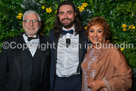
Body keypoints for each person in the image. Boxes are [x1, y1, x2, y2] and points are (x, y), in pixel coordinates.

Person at [0, 10, 50, 91]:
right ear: (23, 24)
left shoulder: (48, 43)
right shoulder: (8, 44)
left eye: (34, 21)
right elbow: (1, 73)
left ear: (40, 24)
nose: (31, 24)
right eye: (27, 21)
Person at [81, 17, 132, 91]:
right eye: (92, 31)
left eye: (99, 31)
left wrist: (103, 83)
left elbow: (126, 79)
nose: (95, 35)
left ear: (104, 34)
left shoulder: (112, 50)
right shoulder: (89, 50)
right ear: (88, 34)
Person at [49, 1, 87, 91]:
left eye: (69, 13)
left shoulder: (84, 35)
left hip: (77, 81)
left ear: (75, 14)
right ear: (58, 16)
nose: (65, 17)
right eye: (62, 13)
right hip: (57, 81)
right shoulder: (52, 34)